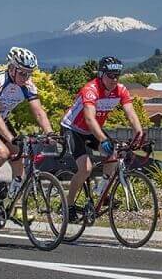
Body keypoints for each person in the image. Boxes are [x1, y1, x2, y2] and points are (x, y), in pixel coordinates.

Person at [0, 47, 54, 217]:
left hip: (0, 122)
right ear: (11, 68)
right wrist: (11, 138)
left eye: (29, 73)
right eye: (22, 73)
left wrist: (49, 132)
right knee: (2, 153)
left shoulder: (27, 85)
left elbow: (38, 111)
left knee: (19, 157)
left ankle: (14, 206)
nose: (26, 77)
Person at [61, 56, 143, 222]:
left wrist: (139, 133)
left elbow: (131, 113)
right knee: (86, 169)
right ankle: (67, 206)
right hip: (73, 129)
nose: (114, 79)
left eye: (117, 75)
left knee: (113, 155)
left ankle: (101, 190)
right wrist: (103, 140)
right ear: (101, 74)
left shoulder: (120, 90)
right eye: (110, 75)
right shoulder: (91, 89)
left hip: (93, 130)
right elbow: (90, 119)